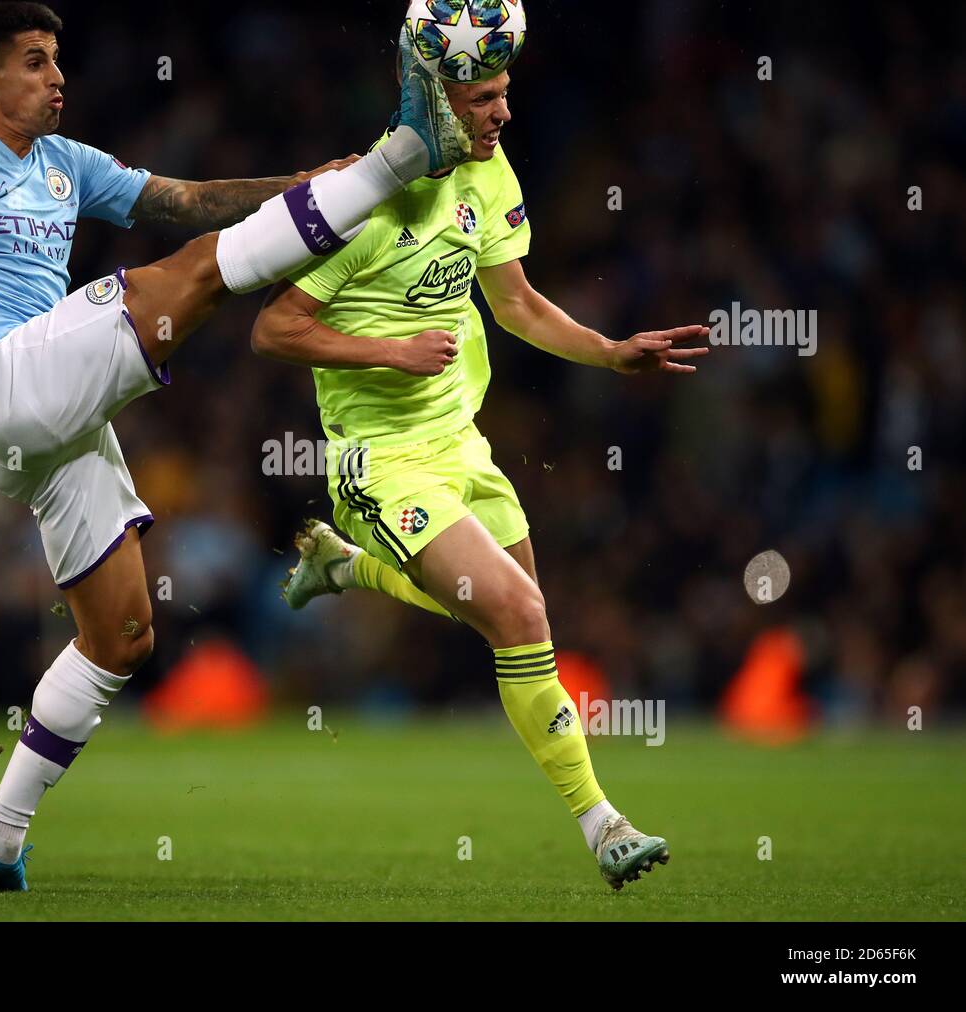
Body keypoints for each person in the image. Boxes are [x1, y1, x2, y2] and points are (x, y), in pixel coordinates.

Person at [0, 3, 471, 891]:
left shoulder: (69, 164)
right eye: (34, 61)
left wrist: (302, 179)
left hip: (49, 426)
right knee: (206, 273)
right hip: (1, 383)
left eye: (58, 59)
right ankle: (409, 151)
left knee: (125, 638)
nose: (57, 76)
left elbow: (181, 201)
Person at [252, 63, 710, 890]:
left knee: (516, 625)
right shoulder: (360, 199)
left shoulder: (489, 173)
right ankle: (603, 824)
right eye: (482, 99)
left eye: (504, 92)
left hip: (461, 444)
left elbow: (520, 305)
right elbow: (275, 329)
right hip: (379, 460)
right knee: (519, 609)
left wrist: (610, 352)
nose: (504, 111)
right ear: (435, 103)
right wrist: (389, 350)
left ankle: (343, 567)